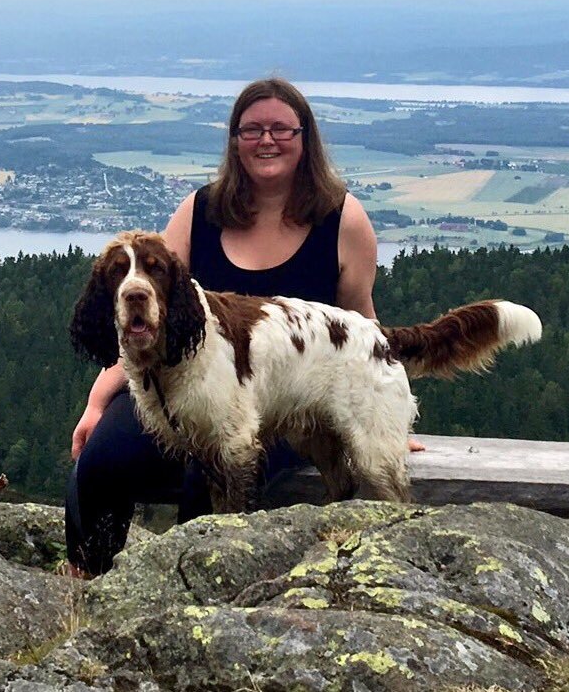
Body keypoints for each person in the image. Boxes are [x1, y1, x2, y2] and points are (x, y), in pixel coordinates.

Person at [65, 77, 403, 577]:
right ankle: (89, 585)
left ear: (305, 137)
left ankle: (197, 599)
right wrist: (97, 404)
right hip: (176, 391)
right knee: (99, 461)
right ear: (235, 140)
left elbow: (359, 319)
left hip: (285, 403)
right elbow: (144, 313)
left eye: (282, 129)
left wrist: (382, 406)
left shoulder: (342, 218)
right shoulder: (200, 211)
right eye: (252, 130)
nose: (267, 140)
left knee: (208, 479)